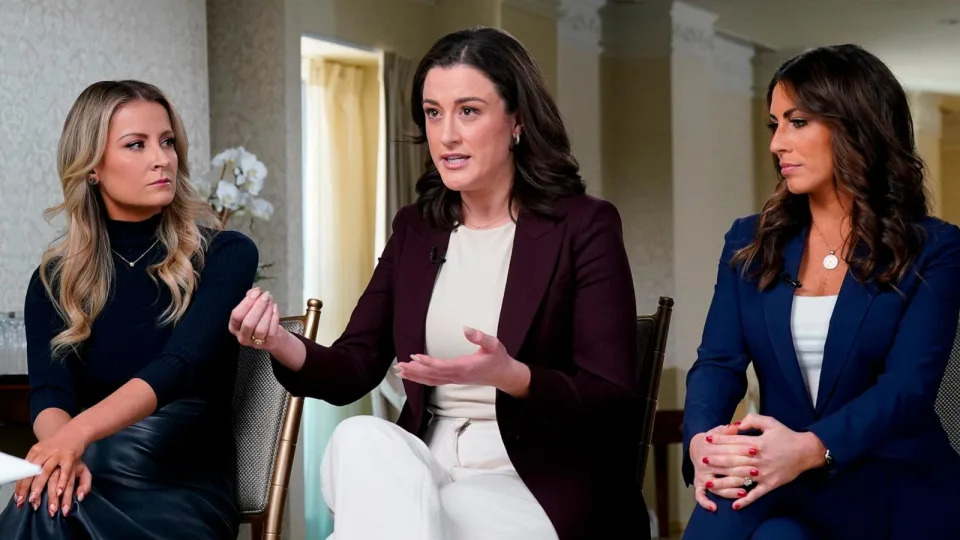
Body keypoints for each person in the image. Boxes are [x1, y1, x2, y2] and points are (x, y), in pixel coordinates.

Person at [229, 26, 647, 540]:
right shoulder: (416, 228)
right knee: (359, 438)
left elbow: (613, 402)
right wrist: (276, 340)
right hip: (426, 467)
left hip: (535, 484)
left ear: (516, 120)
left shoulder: (584, 227)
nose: (446, 134)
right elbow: (354, 365)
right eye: (433, 112)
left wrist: (514, 375)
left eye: (468, 111)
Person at [682, 44, 960, 539]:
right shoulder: (750, 240)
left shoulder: (935, 249)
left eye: (798, 122)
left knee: (748, 511)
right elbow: (717, 363)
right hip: (781, 477)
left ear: (856, 125)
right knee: (753, 520)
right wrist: (702, 443)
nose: (777, 144)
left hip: (888, 473)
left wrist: (811, 448)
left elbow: (908, 388)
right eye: (775, 125)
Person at [0, 80, 257, 539]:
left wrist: (75, 438)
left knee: (41, 511)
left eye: (167, 142)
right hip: (92, 469)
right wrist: (62, 453)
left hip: (180, 484)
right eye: (136, 145)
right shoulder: (53, 279)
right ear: (92, 167)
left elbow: (180, 364)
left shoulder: (226, 254)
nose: (162, 159)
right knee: (46, 498)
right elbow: (50, 392)